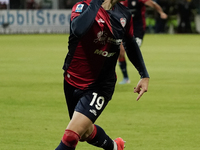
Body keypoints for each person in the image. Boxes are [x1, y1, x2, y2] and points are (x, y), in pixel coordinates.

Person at [55, 0, 150, 150]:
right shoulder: (83, 6)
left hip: (100, 85)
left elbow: (130, 43)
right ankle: (115, 147)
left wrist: (144, 75)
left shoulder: (124, 14)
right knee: (85, 133)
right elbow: (78, 29)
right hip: (72, 80)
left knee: (71, 136)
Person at [118, 0, 167, 84]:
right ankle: (126, 78)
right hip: (124, 29)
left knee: (131, 50)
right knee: (120, 51)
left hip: (138, 30)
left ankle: (143, 75)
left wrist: (161, 12)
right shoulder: (118, 2)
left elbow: (153, 3)